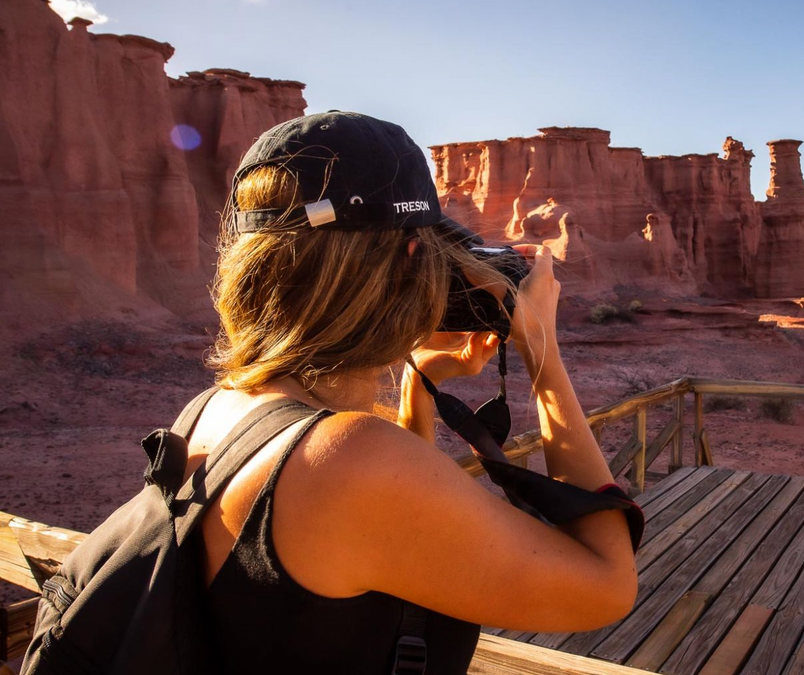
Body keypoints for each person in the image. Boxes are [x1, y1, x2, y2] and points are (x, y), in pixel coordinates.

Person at [185, 111, 638, 673]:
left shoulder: (215, 409)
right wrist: (542, 352)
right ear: (409, 260)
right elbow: (607, 585)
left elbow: (358, 546)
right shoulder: (349, 461)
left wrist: (419, 391)